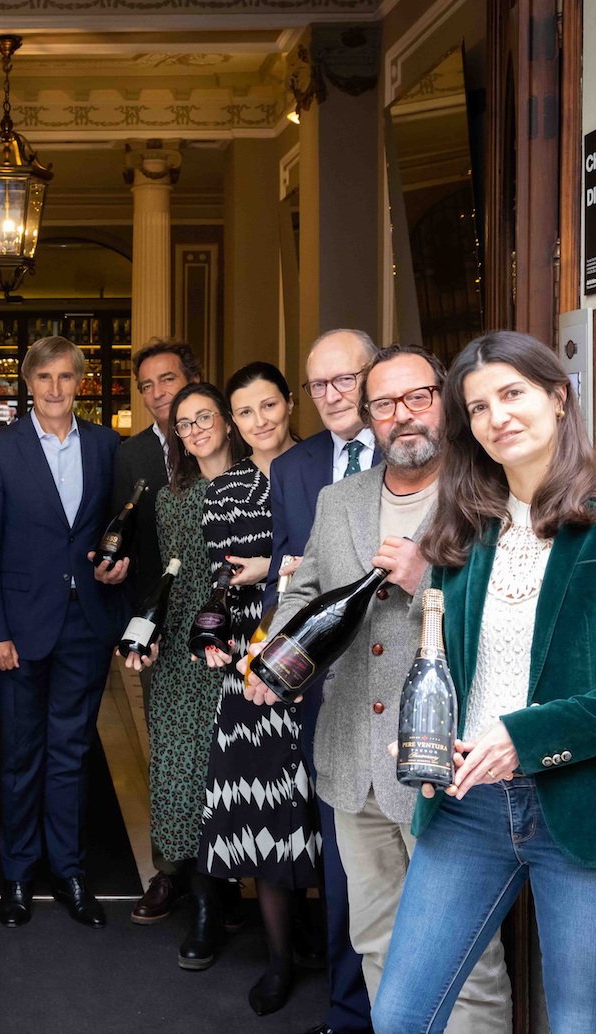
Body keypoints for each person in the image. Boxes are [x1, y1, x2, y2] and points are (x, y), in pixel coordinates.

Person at [373, 331, 596, 1033]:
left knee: (582, 1025)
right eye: (480, 407)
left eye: (513, 394)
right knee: (401, 1015)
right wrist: (432, 746)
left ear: (558, 397)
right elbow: (445, 664)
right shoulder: (462, 530)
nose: (499, 417)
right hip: (470, 808)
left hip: (594, 809)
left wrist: (529, 737)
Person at [247, 345, 512, 1032]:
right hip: (353, 766)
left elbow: (512, 617)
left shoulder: (488, 494)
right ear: (369, 418)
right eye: (385, 404)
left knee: (468, 959)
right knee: (377, 943)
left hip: (446, 762)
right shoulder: (341, 501)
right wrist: (273, 658)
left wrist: (426, 577)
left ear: (444, 398)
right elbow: (304, 594)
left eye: (417, 397)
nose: (403, 416)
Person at [0, 335, 130, 929]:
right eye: (44, 379)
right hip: (17, 626)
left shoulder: (106, 445)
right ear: (28, 385)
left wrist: (122, 567)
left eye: (66, 378)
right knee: (19, 755)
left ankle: (68, 870)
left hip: (85, 623)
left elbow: (119, 528)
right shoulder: (0, 450)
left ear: (80, 383)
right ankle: (16, 873)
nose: (55, 389)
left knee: (71, 753)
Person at [266, 329, 379, 1034]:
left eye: (345, 380)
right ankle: (348, 1013)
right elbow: (291, 573)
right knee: (345, 864)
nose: (332, 396)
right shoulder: (297, 467)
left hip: (402, 690)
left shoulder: (412, 451)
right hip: (326, 695)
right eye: (319, 384)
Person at [195, 362, 317, 1015]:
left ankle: (321, 936)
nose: (260, 420)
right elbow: (228, 581)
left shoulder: (325, 467)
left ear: (288, 403)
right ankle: (278, 960)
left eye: (269, 405)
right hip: (251, 667)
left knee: (322, 816)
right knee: (267, 818)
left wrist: (273, 566)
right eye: (246, 412)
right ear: (234, 424)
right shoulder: (224, 492)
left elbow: (328, 565)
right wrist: (213, 646)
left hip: (324, 661)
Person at [127, 383, 245, 969]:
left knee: (230, 774)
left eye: (204, 417)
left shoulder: (257, 482)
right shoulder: (173, 495)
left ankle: (234, 893)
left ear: (227, 421)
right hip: (180, 652)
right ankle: (203, 901)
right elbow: (167, 579)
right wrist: (145, 636)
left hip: (242, 643)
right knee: (181, 772)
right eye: (183, 423)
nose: (194, 429)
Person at [114, 338, 202, 924]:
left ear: (192, 379)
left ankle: (222, 880)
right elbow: (120, 536)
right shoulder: (130, 456)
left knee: (219, 758)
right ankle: (169, 874)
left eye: (166, 380)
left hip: (226, 627)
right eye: (146, 386)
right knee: (167, 757)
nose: (156, 394)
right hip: (160, 632)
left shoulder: (228, 439)